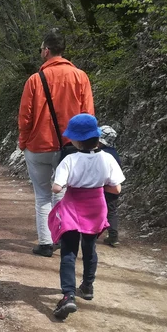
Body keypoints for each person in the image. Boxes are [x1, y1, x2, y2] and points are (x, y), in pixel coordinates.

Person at [18, 28, 95, 257]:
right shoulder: (80, 76)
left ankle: (45, 243)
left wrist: (23, 142)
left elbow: (25, 117)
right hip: (71, 148)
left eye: (41, 49)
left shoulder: (34, 80)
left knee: (42, 195)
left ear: (47, 51)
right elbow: (87, 115)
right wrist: (86, 145)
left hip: (38, 145)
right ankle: (62, 237)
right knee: (62, 193)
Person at [48, 114, 125, 320]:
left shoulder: (70, 159)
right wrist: (97, 185)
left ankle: (68, 295)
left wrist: (61, 183)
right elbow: (116, 188)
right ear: (97, 137)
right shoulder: (107, 158)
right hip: (96, 206)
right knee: (90, 248)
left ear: (75, 140)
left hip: (73, 206)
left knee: (69, 252)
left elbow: (56, 189)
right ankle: (88, 287)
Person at [99, 125, 121, 246]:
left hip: (102, 187)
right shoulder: (114, 153)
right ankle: (113, 236)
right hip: (114, 186)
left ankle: (89, 231)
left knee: (97, 209)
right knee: (111, 211)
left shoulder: (101, 154)